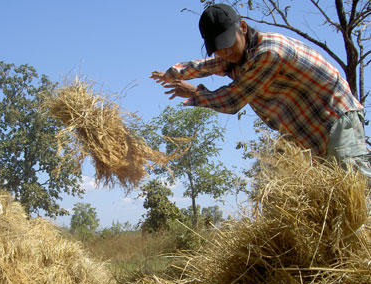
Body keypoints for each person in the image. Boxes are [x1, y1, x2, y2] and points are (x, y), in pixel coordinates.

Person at [150, 3, 371, 178]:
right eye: (219, 49)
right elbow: (206, 65)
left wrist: (194, 93)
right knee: (306, 198)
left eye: (228, 44)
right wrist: (172, 73)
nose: (226, 52)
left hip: (336, 121)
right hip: (307, 131)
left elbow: (233, 100)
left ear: (243, 28)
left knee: (356, 196)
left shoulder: (269, 53)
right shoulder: (238, 55)